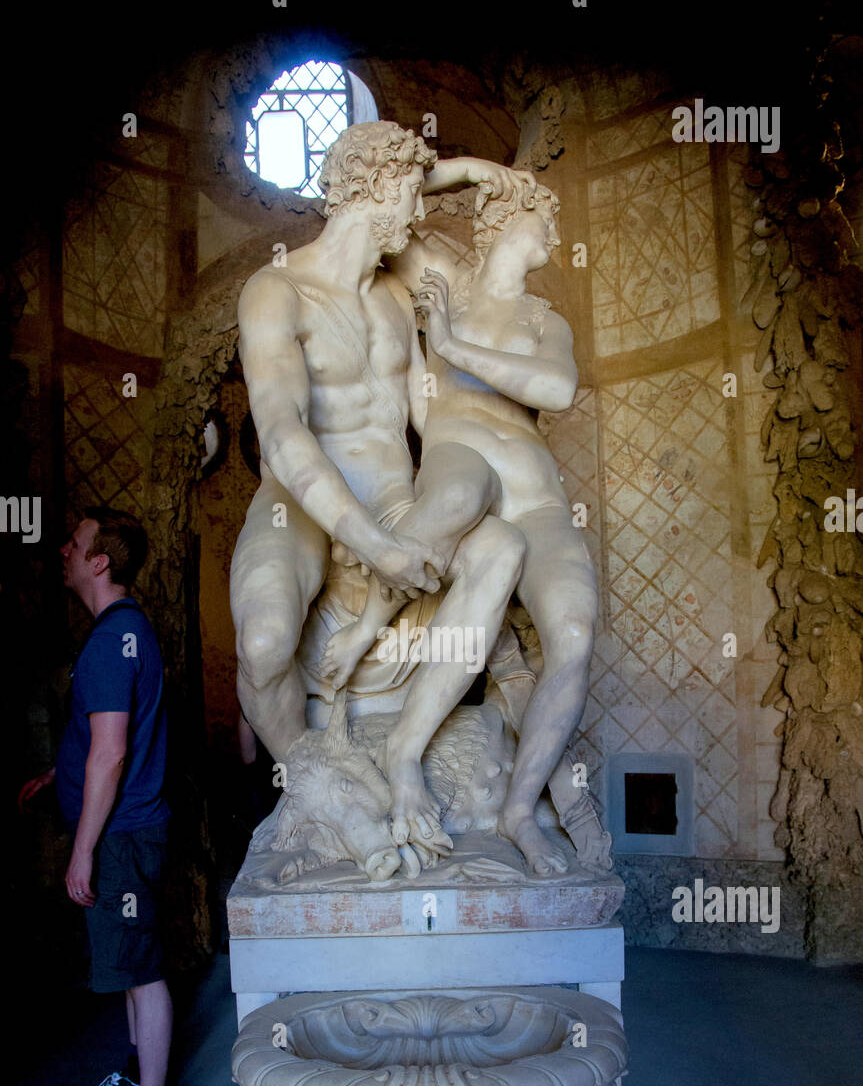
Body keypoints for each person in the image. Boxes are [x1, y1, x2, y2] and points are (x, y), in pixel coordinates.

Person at [231, 120, 533, 863]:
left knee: (501, 547)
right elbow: (281, 433)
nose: (418, 214)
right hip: (298, 506)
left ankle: (403, 749)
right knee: (265, 641)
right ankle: (315, 775)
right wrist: (373, 548)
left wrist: (459, 166)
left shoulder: (396, 300)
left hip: (396, 500)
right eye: (411, 194)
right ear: (375, 190)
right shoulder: (275, 291)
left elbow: (433, 427)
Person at [322, 180, 609, 874]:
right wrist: (484, 167)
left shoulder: (545, 319)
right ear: (505, 216)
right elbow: (385, 183)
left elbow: (557, 390)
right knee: (452, 499)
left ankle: (518, 808)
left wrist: (449, 343)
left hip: (536, 494)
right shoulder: (443, 275)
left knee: (573, 632)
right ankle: (377, 667)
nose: (552, 230)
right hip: (462, 458)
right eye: (544, 214)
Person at [18, 507, 176, 1086]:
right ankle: (138, 1072)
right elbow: (108, 743)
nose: (64, 550)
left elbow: (112, 756)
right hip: (122, 828)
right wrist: (65, 769)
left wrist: (81, 850)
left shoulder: (115, 639)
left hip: (120, 837)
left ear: (100, 561)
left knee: (142, 972)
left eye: (75, 543)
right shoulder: (123, 632)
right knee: (130, 966)